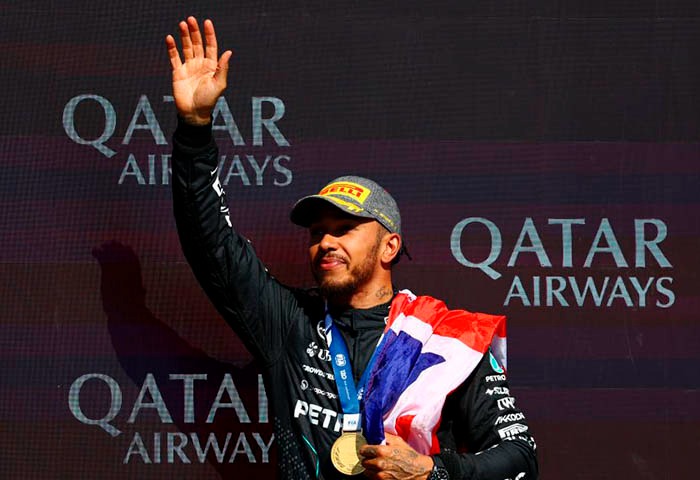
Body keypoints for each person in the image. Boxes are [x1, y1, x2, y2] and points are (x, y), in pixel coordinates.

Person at [166, 16, 538, 480]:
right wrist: (195, 129)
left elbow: (520, 456)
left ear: (389, 247)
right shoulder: (289, 324)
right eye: (317, 232)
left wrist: (431, 471)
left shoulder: (448, 339)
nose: (326, 241)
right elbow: (211, 245)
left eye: (344, 229)